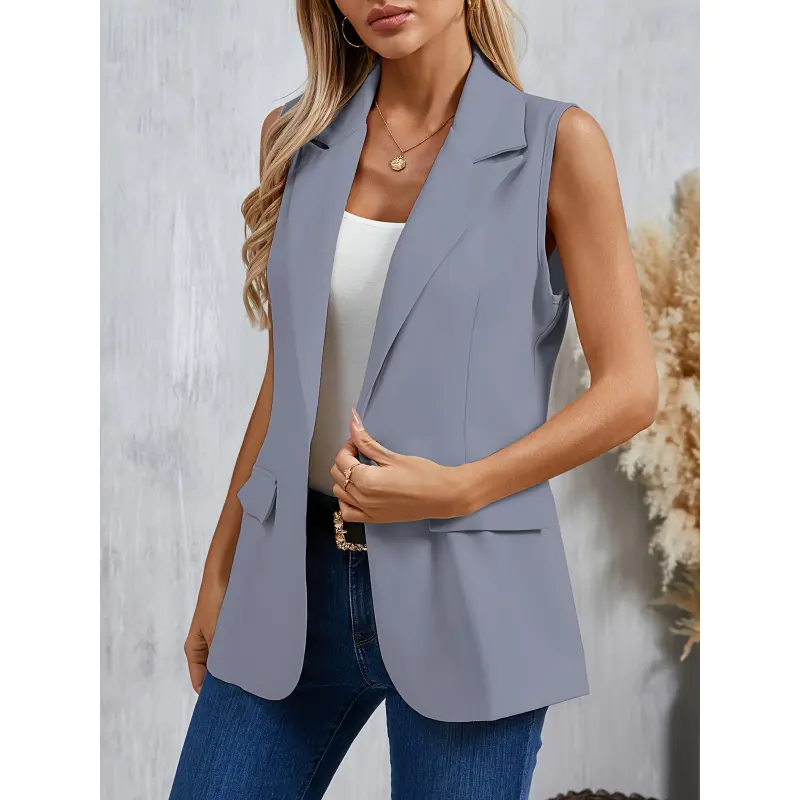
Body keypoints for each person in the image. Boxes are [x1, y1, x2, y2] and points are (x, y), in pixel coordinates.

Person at [169, 1, 658, 798]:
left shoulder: (557, 145)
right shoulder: (294, 138)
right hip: (290, 581)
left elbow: (631, 388)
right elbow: (287, 378)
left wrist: (463, 486)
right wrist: (221, 561)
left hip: (473, 586)